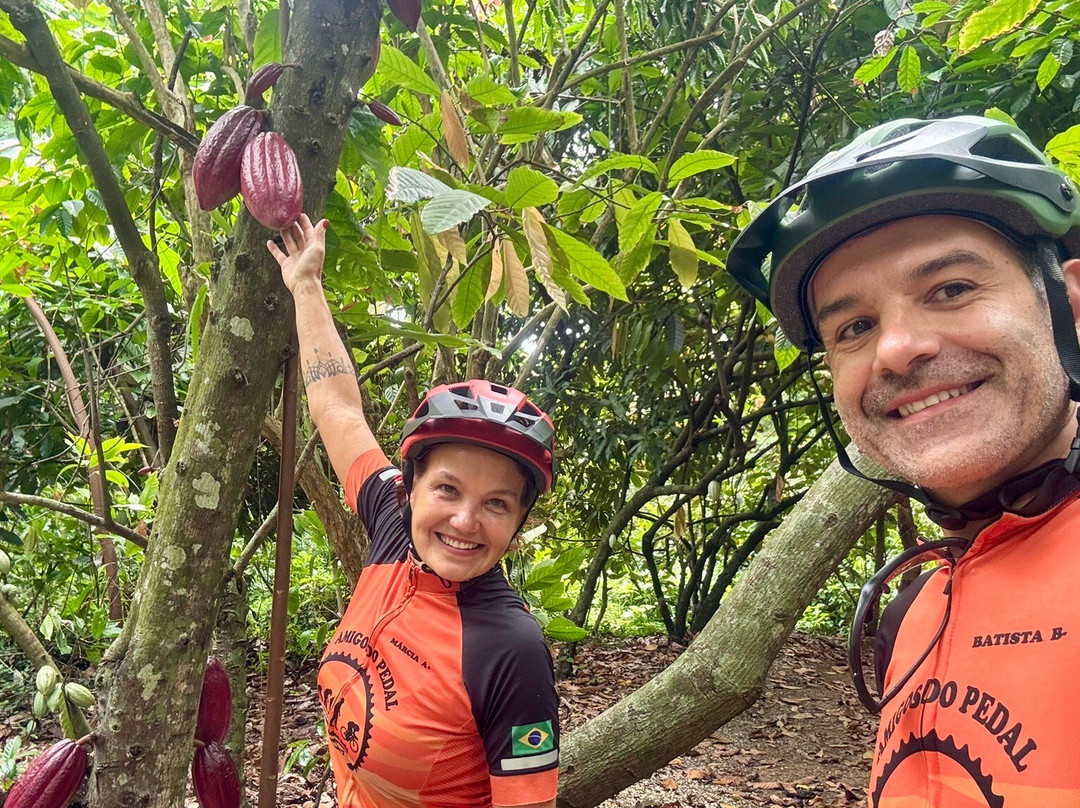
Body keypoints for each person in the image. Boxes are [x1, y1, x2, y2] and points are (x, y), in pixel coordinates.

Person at [727, 116, 1080, 806]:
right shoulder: (915, 608)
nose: (896, 349)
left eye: (950, 288)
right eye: (854, 328)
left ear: (1070, 304)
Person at [268, 215, 560, 808]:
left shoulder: (511, 651)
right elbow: (337, 410)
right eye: (448, 490)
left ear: (518, 523)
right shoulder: (391, 522)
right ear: (410, 488)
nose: (464, 522)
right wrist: (305, 285)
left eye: (497, 504)